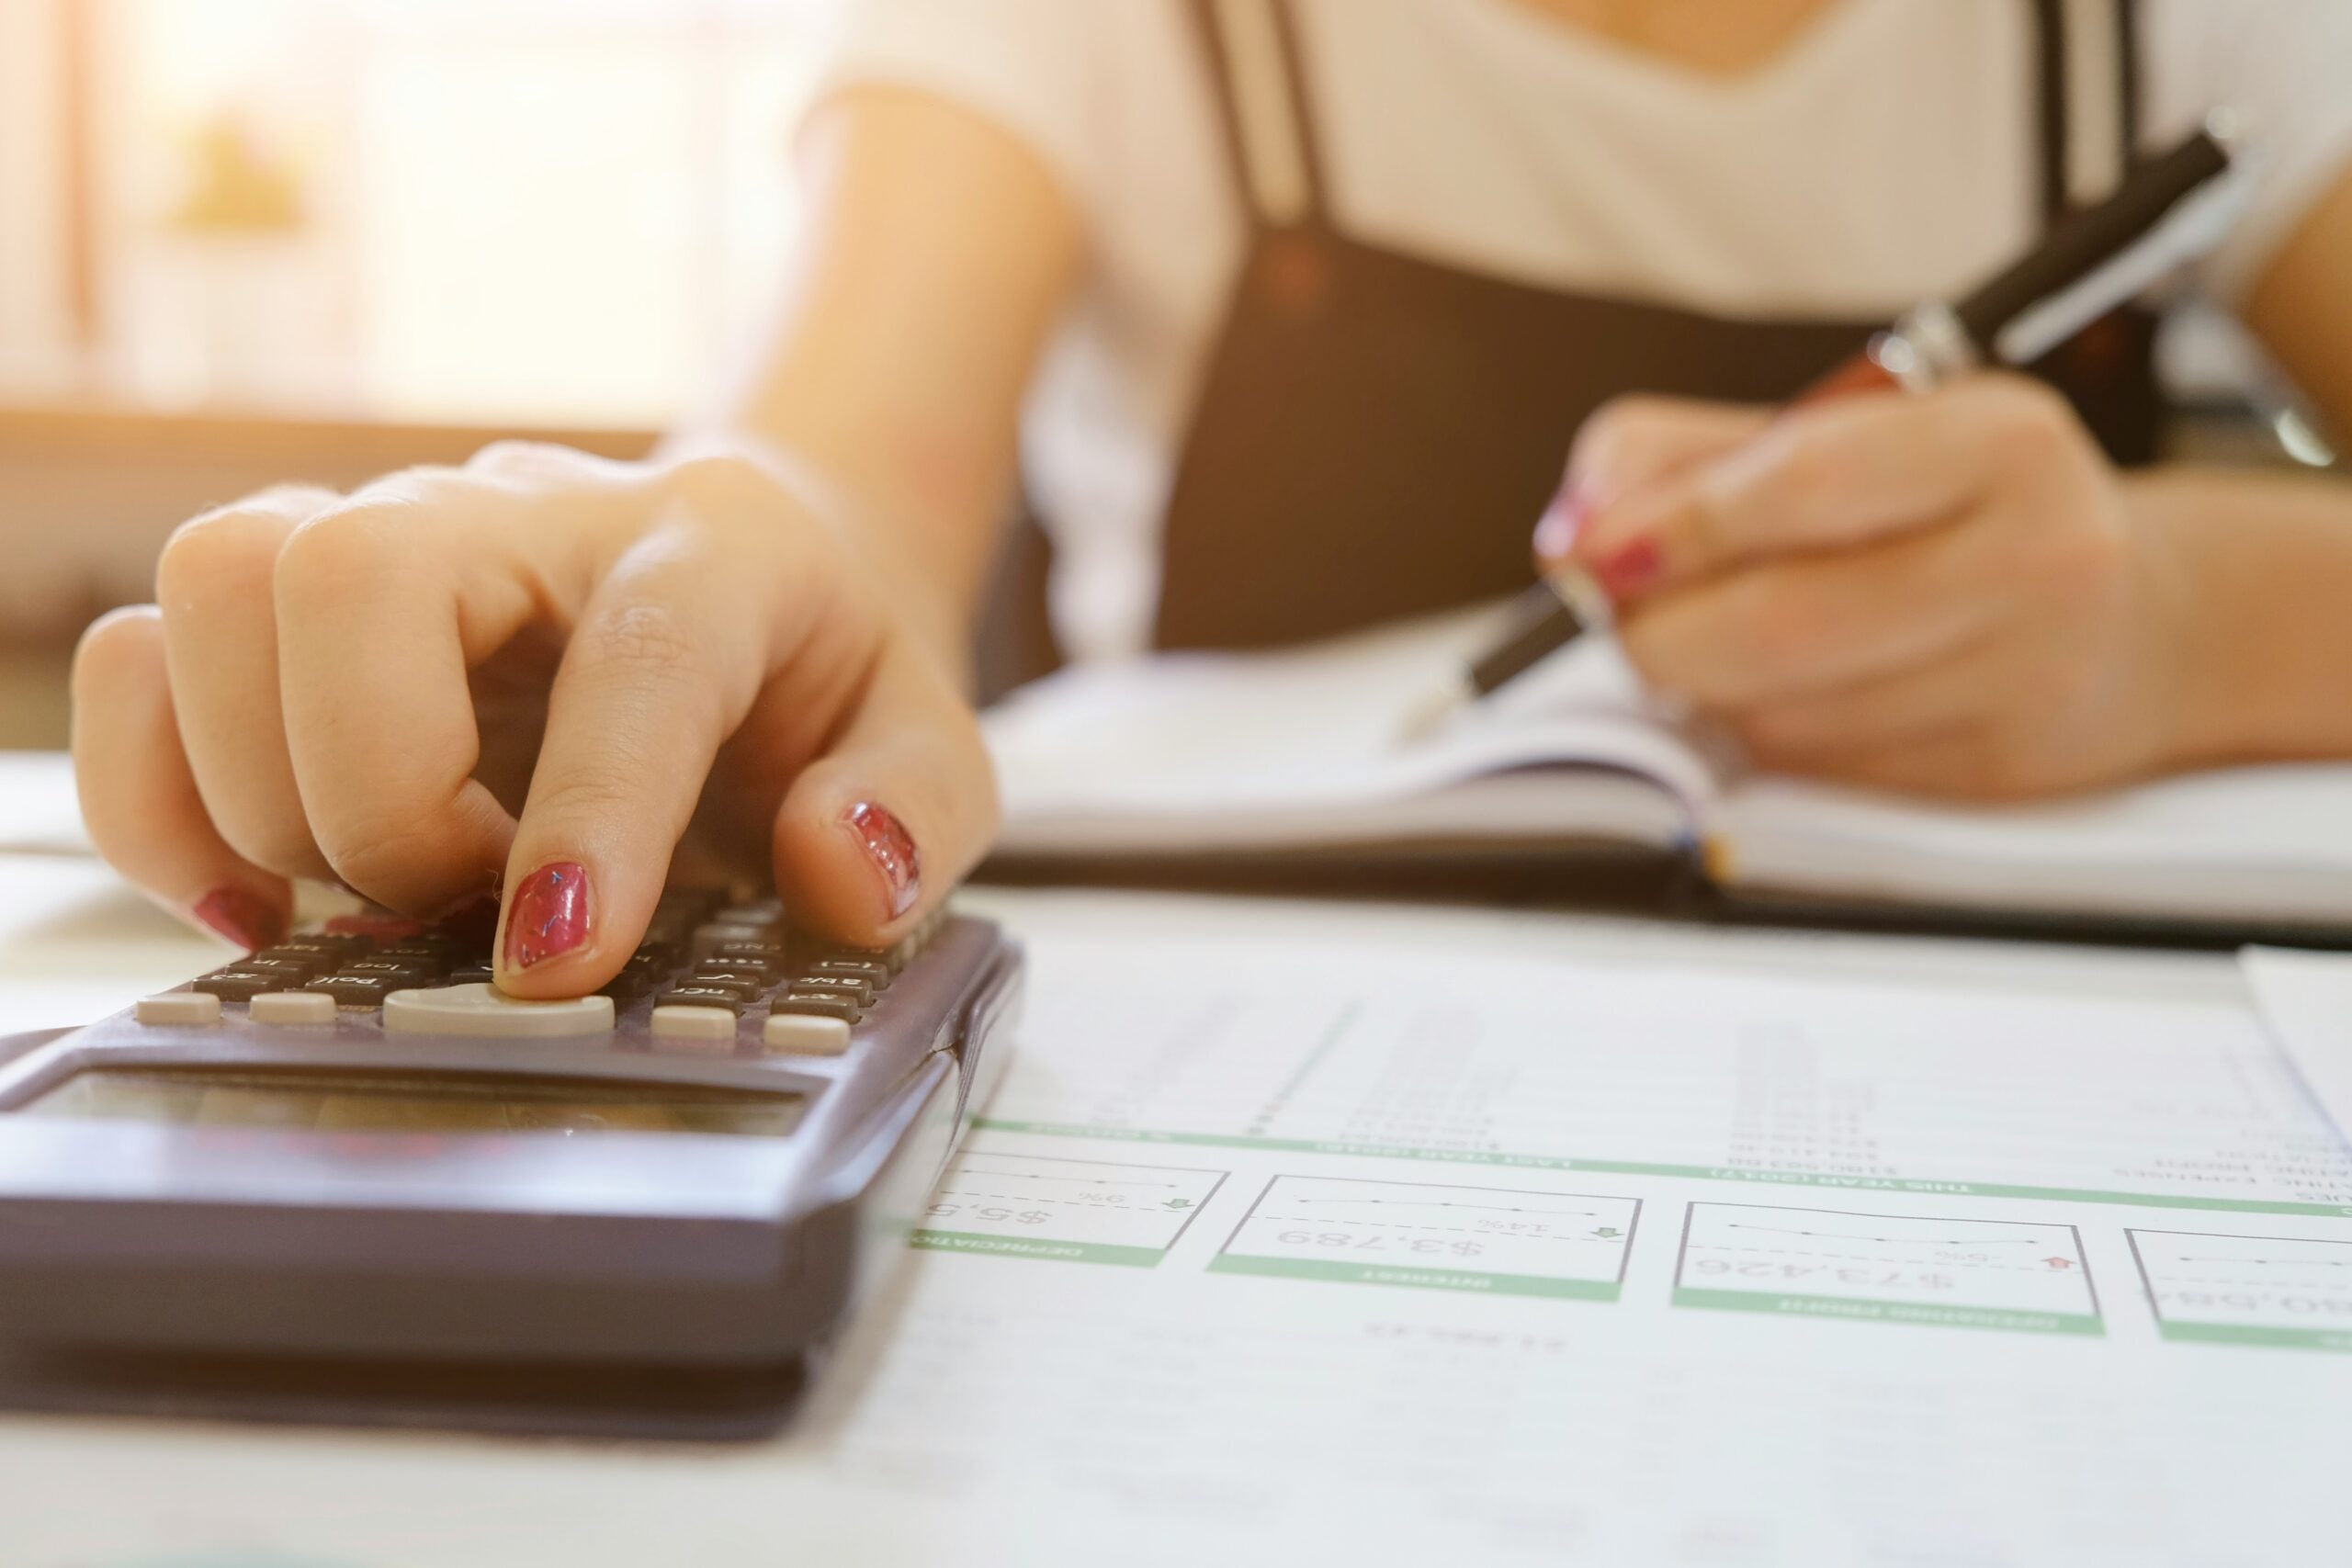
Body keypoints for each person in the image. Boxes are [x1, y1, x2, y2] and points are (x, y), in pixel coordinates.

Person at [70, 0, 2352, 997]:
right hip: (1251, 1037)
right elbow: (840, 459)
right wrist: (707, 562)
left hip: (2045, 1058)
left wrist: (2197, 620)